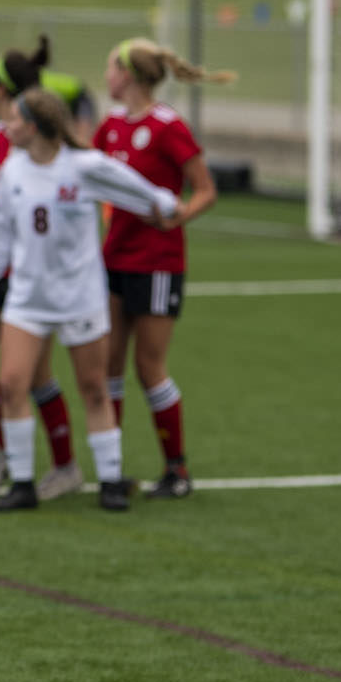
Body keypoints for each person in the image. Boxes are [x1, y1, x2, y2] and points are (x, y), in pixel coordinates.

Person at [0, 88, 179, 514]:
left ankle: (111, 480)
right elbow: (1, 239)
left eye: (15, 120)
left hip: (79, 297)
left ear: (36, 126)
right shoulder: (12, 171)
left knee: (94, 389)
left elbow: (134, 189)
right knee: (11, 384)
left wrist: (161, 202)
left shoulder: (84, 166)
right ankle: (22, 484)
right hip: (27, 298)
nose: (7, 126)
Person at [97, 39, 235, 500]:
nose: (106, 77)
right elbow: (92, 177)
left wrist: (178, 215)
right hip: (113, 259)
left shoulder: (166, 126)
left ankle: (176, 470)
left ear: (129, 76)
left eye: (111, 68)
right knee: (107, 364)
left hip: (157, 263)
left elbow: (205, 191)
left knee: (148, 365)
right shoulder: (111, 126)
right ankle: (111, 468)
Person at [0, 40, 86, 500]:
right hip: (0, 267)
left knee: (37, 375)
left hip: (33, 270)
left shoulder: (32, 140)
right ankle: (13, 452)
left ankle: (65, 467)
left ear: (0, 89)